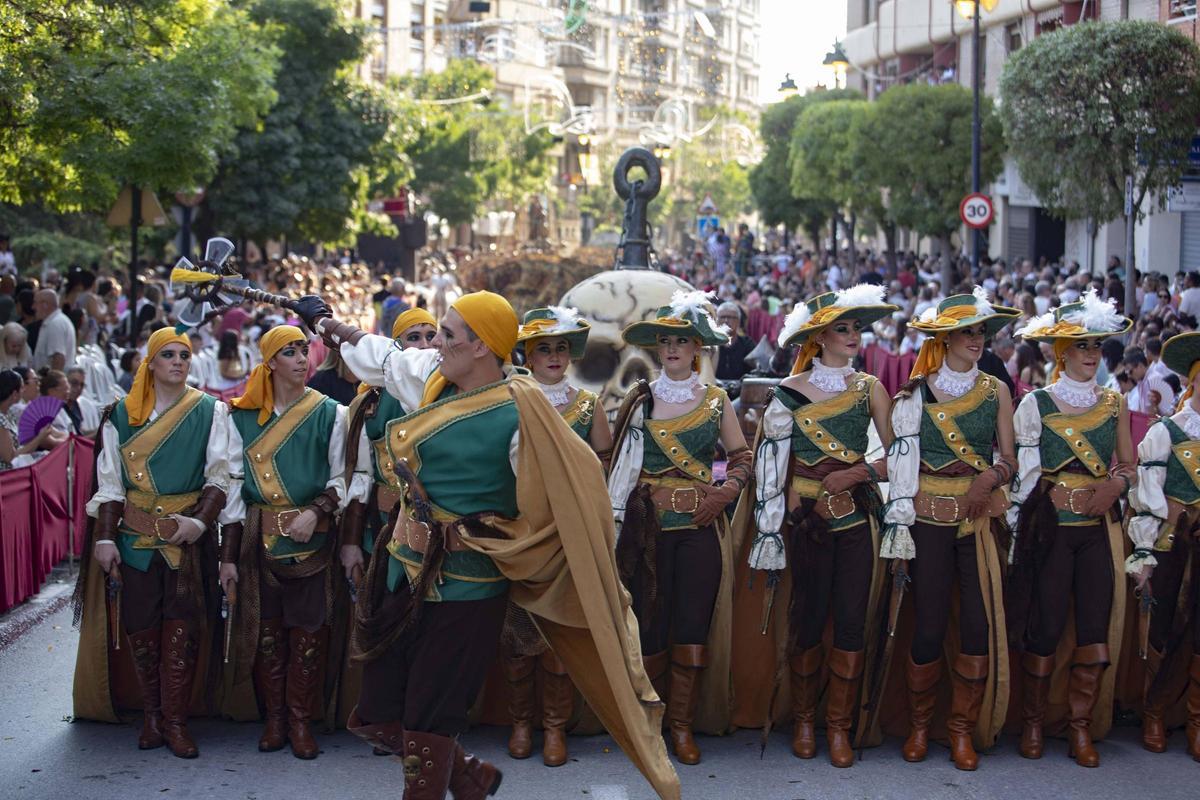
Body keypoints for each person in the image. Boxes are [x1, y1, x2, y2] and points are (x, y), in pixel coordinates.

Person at [303, 291, 679, 800]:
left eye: (449, 334)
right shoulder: (435, 376)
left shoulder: (523, 416)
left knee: (429, 719)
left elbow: (564, 498)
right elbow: (379, 355)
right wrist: (324, 322)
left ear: (481, 347)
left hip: (466, 587)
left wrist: (501, 543)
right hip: (401, 571)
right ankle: (469, 776)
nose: (437, 340)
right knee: (373, 716)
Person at [735, 285, 896, 767]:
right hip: (805, 525)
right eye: (842, 328)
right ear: (819, 337)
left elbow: (900, 456)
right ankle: (804, 718)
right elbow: (771, 467)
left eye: (856, 328)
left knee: (851, 622)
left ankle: (839, 727)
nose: (853, 336)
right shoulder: (787, 393)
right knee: (806, 619)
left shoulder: (871, 388)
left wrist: (859, 472)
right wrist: (777, 519)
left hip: (856, 520)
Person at [608, 291, 752, 766]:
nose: (672, 348)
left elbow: (741, 459)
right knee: (649, 625)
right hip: (647, 531)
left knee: (691, 627)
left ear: (698, 349)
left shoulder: (715, 401)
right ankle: (651, 727)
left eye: (682, 341)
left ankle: (684, 727)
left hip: (698, 527)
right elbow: (615, 464)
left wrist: (723, 494)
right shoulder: (640, 398)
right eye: (666, 341)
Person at [71, 328, 229, 758]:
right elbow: (110, 484)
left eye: (185, 355)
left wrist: (198, 524)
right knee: (142, 628)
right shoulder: (120, 415)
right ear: (151, 363)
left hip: (185, 540)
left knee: (181, 630)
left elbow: (220, 476)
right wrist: (104, 538)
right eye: (169, 355)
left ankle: (176, 722)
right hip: (134, 538)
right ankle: (152, 717)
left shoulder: (210, 410)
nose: (179, 361)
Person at [882, 288, 1020, 771]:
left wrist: (991, 477)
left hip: (978, 524)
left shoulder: (998, 390)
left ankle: (961, 731)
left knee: (978, 625)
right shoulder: (914, 395)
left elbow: (1010, 458)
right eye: (966, 331)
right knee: (929, 623)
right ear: (944, 338)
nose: (976, 339)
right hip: (926, 522)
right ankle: (921, 727)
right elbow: (901, 465)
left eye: (980, 331)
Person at [1009, 288, 1136, 768]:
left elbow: (1127, 464)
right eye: (1082, 346)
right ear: (1062, 352)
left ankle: (1080, 727)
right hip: (1053, 531)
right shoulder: (1035, 404)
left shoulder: (1114, 402)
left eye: (1096, 346)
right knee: (1043, 626)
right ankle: (1035, 722)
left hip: (1096, 532)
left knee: (1092, 628)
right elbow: (1023, 476)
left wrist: (1116, 487)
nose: (1091, 354)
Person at [219, 326, 348, 760]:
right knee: (268, 636)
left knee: (308, 636)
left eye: (302, 351)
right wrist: (229, 556)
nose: (300, 358)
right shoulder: (238, 417)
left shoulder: (332, 413)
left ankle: (299, 720)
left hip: (313, 544)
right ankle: (275, 719)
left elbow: (346, 478)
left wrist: (316, 512)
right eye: (289, 352)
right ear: (270, 362)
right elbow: (233, 487)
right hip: (259, 541)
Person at [500, 306, 614, 767]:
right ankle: (521, 723)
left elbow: (604, 463)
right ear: (527, 354)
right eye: (543, 347)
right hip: (523, 532)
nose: (553, 356)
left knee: (561, 635)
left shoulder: (589, 405)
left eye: (561, 348)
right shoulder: (509, 399)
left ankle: (553, 728)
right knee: (517, 632)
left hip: (572, 536)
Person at [339, 307, 439, 753]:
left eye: (430, 334)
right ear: (395, 347)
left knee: (433, 628)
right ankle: (384, 722)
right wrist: (351, 544)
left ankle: (427, 723)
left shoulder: (445, 391)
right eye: (412, 336)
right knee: (385, 625)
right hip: (383, 531)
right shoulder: (371, 403)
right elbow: (357, 478)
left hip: (437, 532)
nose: (422, 343)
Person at [1127, 331, 1200, 760]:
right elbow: (1147, 494)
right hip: (1173, 544)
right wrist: (1144, 550)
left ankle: (1194, 719)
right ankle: (1154, 710)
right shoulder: (1167, 432)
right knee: (1164, 627)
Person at [31, 288, 75, 371]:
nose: (33, 307)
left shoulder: (56, 324)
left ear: (45, 304)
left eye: (35, 303)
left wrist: (53, 383)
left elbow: (58, 358)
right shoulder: (55, 321)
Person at [714, 302, 754, 382]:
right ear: (716, 320)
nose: (726, 320)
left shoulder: (747, 344)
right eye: (722, 317)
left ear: (738, 321)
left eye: (730, 317)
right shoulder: (710, 344)